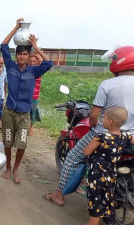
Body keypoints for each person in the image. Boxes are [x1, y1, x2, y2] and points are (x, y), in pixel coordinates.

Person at [43, 45, 134, 207]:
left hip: (105, 133)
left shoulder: (108, 84)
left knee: (72, 158)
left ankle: (59, 196)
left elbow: (94, 115)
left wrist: (94, 127)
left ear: (118, 61)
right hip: (130, 138)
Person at [0, 18, 53, 183]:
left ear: (29, 55)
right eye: (20, 54)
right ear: (16, 55)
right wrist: (16, 27)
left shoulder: (34, 71)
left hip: (24, 114)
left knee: (22, 144)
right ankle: (8, 166)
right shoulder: (11, 67)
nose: (22, 56)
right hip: (9, 113)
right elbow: (3, 45)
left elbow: (49, 63)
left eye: (25, 54)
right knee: (8, 142)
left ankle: (16, 168)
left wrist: (36, 47)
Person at [84, 106, 133, 225]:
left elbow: (86, 151)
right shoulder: (125, 136)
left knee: (95, 197)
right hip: (111, 173)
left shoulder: (102, 137)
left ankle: (93, 223)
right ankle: (110, 220)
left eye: (104, 117)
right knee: (108, 196)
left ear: (110, 121)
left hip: (97, 173)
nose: (102, 120)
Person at [28, 54, 43, 135]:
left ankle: (30, 127)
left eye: (34, 61)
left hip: (35, 95)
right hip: (26, 94)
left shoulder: (39, 69)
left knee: (33, 112)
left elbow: (42, 61)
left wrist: (36, 52)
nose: (32, 63)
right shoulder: (25, 69)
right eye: (30, 61)